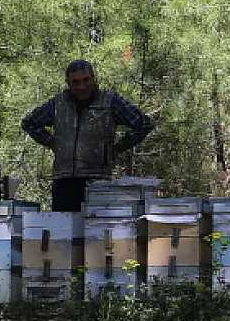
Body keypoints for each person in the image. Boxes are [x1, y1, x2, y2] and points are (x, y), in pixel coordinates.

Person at [21, 59, 156, 212]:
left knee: (96, 230)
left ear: (93, 79)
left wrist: (118, 147)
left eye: (86, 80)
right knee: (63, 231)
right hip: (64, 180)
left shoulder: (110, 102)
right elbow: (29, 123)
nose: (82, 86)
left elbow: (145, 124)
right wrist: (52, 142)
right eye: (76, 82)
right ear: (68, 83)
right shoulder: (58, 104)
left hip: (98, 180)